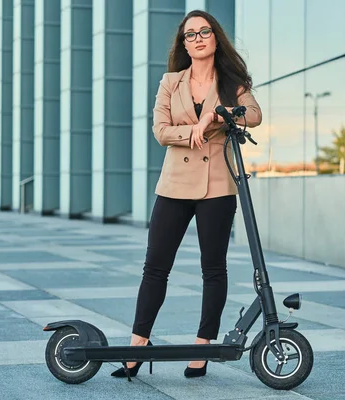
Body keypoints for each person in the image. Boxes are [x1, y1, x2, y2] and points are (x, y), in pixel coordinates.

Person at [111, 9, 262, 379]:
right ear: (184, 43)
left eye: (204, 32)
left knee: (213, 268)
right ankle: (137, 345)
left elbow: (254, 115)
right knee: (155, 267)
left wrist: (217, 115)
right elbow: (161, 131)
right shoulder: (170, 82)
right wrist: (193, 130)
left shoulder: (232, 82)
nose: (197, 38)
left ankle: (202, 346)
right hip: (174, 184)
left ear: (215, 38)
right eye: (190, 34)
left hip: (217, 186)